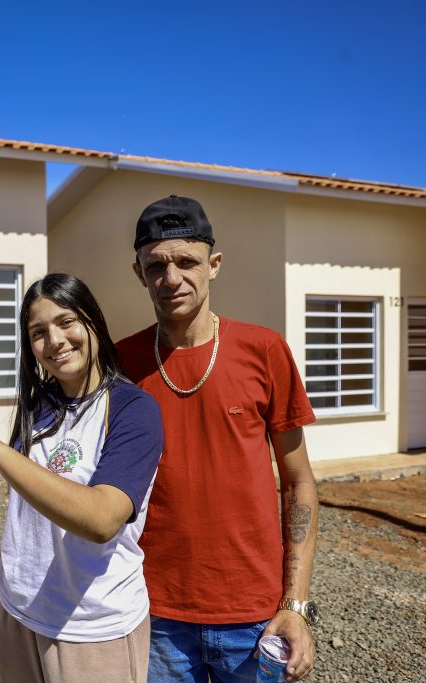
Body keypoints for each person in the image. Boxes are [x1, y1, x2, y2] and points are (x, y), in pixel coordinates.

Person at [0, 273, 163, 682]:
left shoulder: (133, 409)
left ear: (93, 322)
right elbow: (24, 515)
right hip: (20, 615)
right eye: (38, 332)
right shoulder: (41, 404)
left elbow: (102, 520)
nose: (54, 341)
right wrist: (1, 596)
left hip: (91, 627)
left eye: (66, 322)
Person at [116, 195, 319, 683]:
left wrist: (296, 604)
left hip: (253, 613)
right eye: (156, 265)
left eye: (187, 261)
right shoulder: (122, 364)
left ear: (214, 265)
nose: (172, 278)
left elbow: (298, 483)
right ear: (139, 273)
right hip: (153, 608)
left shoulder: (264, 350)